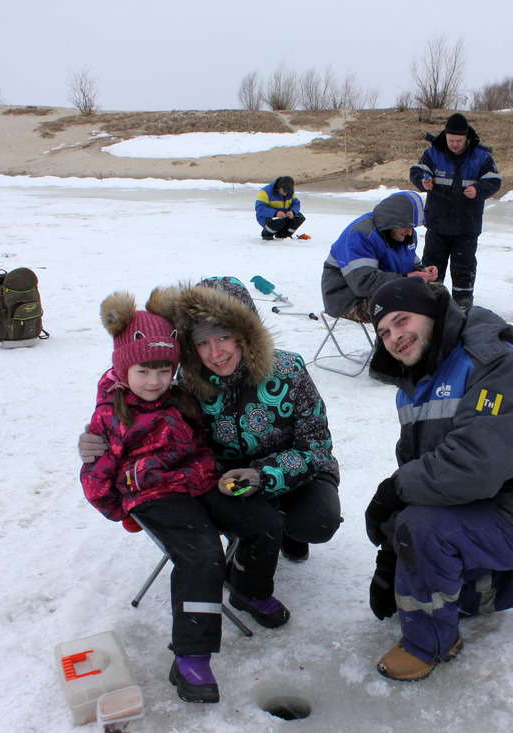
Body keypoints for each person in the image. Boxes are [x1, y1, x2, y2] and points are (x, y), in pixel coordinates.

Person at [362, 277, 513, 682]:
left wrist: (396, 496)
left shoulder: (490, 361)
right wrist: (391, 550)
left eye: (402, 320)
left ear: (432, 313)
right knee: (439, 588)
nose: (395, 337)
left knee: (424, 529)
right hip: (489, 502)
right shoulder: (414, 383)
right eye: (384, 332)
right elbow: (420, 465)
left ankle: (430, 644)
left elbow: (474, 468)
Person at [83, 277, 342, 570]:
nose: (215, 353)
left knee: (316, 521)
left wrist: (262, 475)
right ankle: (244, 538)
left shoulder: (288, 370)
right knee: (219, 506)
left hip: (295, 474)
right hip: (225, 481)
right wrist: (98, 436)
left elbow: (317, 447)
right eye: (202, 342)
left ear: (245, 333)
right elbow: (139, 404)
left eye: (223, 337)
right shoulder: (189, 384)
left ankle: (290, 531)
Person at [81, 291, 254, 705]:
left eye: (164, 370)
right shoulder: (111, 413)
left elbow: (199, 442)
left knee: (260, 516)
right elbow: (96, 476)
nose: (155, 381)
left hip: (197, 481)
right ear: (125, 369)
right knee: (202, 552)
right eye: (145, 371)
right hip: (155, 495)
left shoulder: (180, 398)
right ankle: (191, 660)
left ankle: (253, 589)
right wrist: (118, 508)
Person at [409, 113, 502, 311]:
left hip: (467, 226)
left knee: (464, 268)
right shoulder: (433, 153)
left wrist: (478, 190)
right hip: (437, 224)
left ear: (466, 138)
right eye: (451, 140)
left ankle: (463, 306)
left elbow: (494, 181)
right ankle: (432, 305)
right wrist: (423, 181)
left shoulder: (481, 157)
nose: (454, 144)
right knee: (432, 268)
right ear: (445, 136)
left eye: (459, 140)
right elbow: (416, 171)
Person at [321, 191, 438, 322]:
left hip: (385, 291)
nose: (410, 232)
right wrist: (406, 279)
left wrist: (423, 272)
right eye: (407, 226)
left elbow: (410, 266)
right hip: (348, 300)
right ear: (394, 221)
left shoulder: (404, 235)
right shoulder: (360, 235)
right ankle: (398, 342)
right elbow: (363, 284)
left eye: (413, 227)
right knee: (411, 306)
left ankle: (444, 340)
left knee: (438, 294)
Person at [255, 175, 305, 240]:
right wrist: (275, 213)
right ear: (279, 187)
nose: (285, 194)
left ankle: (283, 234)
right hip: (267, 217)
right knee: (278, 223)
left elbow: (296, 203)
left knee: (299, 218)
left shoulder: (290, 192)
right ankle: (267, 234)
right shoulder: (265, 191)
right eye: (284, 191)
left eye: (288, 192)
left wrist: (292, 211)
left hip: (284, 216)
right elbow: (259, 208)